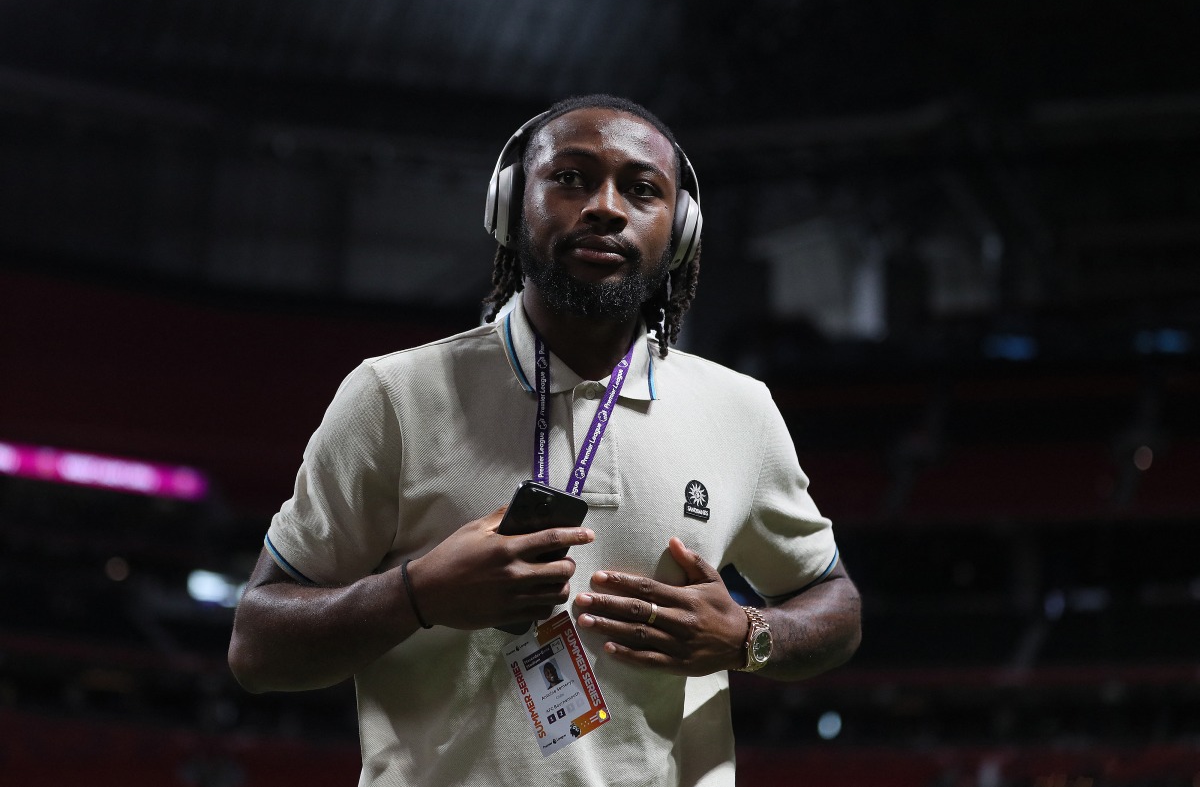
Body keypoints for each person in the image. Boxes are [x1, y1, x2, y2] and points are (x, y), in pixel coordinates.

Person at [228, 94, 861, 787]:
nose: (606, 207)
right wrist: (417, 594)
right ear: (508, 205)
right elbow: (257, 645)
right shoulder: (392, 395)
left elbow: (835, 602)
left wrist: (749, 636)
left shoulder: (741, 410)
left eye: (642, 189)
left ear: (679, 231)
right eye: (571, 178)